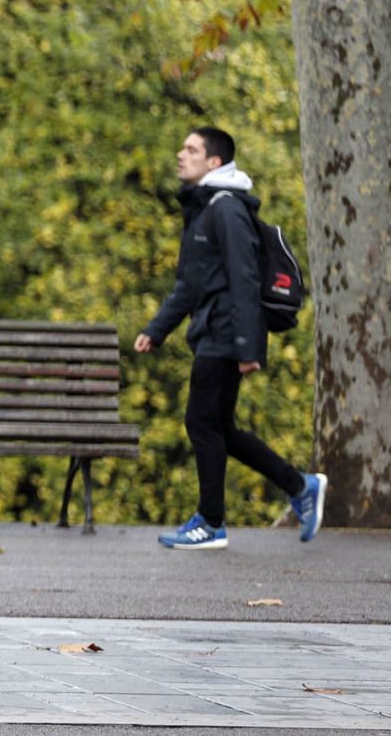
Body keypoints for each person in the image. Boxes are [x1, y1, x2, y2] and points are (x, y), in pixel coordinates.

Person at [135, 126, 327, 550]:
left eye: (191, 149)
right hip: (214, 329)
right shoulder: (204, 209)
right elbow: (189, 284)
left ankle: (211, 522)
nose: (181, 154)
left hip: (225, 332)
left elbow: (245, 278)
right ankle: (300, 485)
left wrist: (248, 346)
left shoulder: (226, 209)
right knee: (219, 426)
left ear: (214, 161)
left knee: (200, 421)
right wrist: (156, 329)